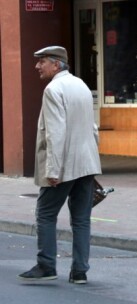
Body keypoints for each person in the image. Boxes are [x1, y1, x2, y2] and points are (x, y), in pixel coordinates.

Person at [18, 46, 101, 284]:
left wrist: (52, 170)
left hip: (64, 165)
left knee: (45, 213)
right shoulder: (81, 85)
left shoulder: (53, 89)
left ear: (56, 64)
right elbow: (92, 128)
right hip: (86, 163)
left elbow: (56, 132)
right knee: (82, 219)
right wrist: (92, 159)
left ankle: (46, 265)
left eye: (41, 61)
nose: (37, 66)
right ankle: (80, 271)